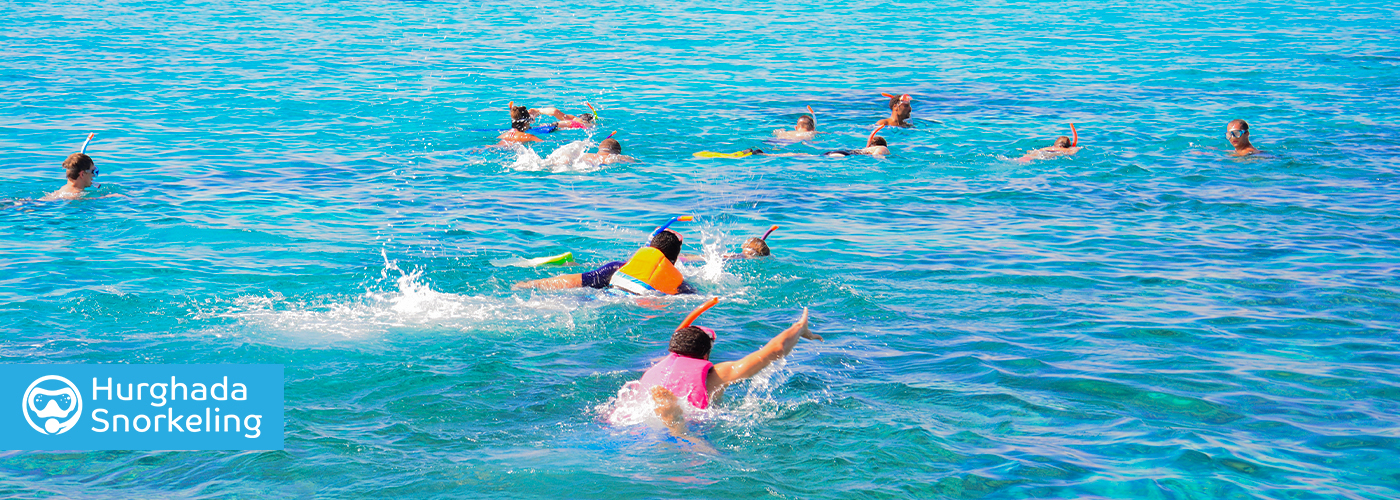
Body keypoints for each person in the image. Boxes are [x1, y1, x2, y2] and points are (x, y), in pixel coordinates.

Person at [644, 304, 821, 440]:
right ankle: (674, 420)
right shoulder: (717, 374)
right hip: (693, 424)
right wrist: (800, 328)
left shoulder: (655, 369)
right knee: (695, 442)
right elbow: (776, 350)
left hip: (641, 427)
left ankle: (672, 415)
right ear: (705, 355)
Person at [512, 229, 697, 295]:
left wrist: (531, 284)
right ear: (673, 261)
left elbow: (573, 281)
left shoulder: (618, 267)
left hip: (600, 299)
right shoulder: (680, 285)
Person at [530, 105, 596, 130]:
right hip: (570, 125)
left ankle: (538, 111)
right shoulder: (587, 124)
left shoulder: (575, 118)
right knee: (553, 126)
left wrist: (539, 111)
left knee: (553, 125)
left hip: (566, 123)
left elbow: (555, 112)